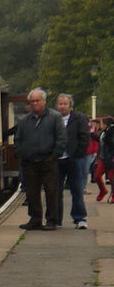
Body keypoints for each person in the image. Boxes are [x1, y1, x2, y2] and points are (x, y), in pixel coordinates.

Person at [14, 88, 64, 230]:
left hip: (48, 161)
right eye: (32, 101)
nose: (34, 103)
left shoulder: (55, 117)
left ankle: (52, 220)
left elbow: (61, 138)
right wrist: (20, 154)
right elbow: (18, 139)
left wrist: (54, 155)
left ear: (44, 101)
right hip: (30, 162)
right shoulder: (25, 121)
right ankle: (35, 219)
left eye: (37, 101)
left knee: (51, 191)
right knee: (32, 192)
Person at [56, 93, 90, 228]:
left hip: (74, 159)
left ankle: (79, 218)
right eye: (60, 104)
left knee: (76, 189)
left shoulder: (79, 118)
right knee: (55, 191)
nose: (62, 106)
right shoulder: (53, 119)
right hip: (57, 159)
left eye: (65, 104)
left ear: (70, 106)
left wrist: (77, 153)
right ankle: (55, 218)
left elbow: (84, 137)